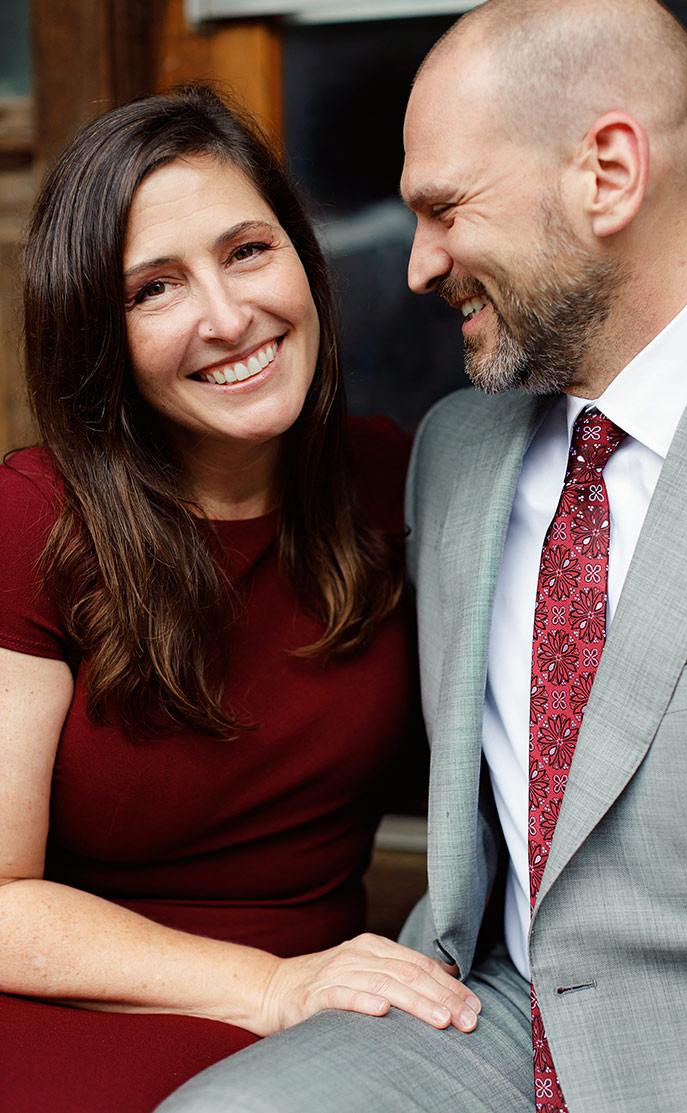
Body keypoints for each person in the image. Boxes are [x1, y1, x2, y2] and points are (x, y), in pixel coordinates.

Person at [155, 2, 687, 1112]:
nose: (419, 264)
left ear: (609, 174)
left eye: (444, 208)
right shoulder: (456, 456)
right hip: (494, 1013)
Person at [0, 85, 481, 1113]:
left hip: (321, 1027)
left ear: (303, 256)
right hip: (74, 1002)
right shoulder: (32, 520)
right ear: (98, 333)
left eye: (248, 251)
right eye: (153, 289)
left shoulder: (394, 481)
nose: (227, 319)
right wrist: (267, 986)